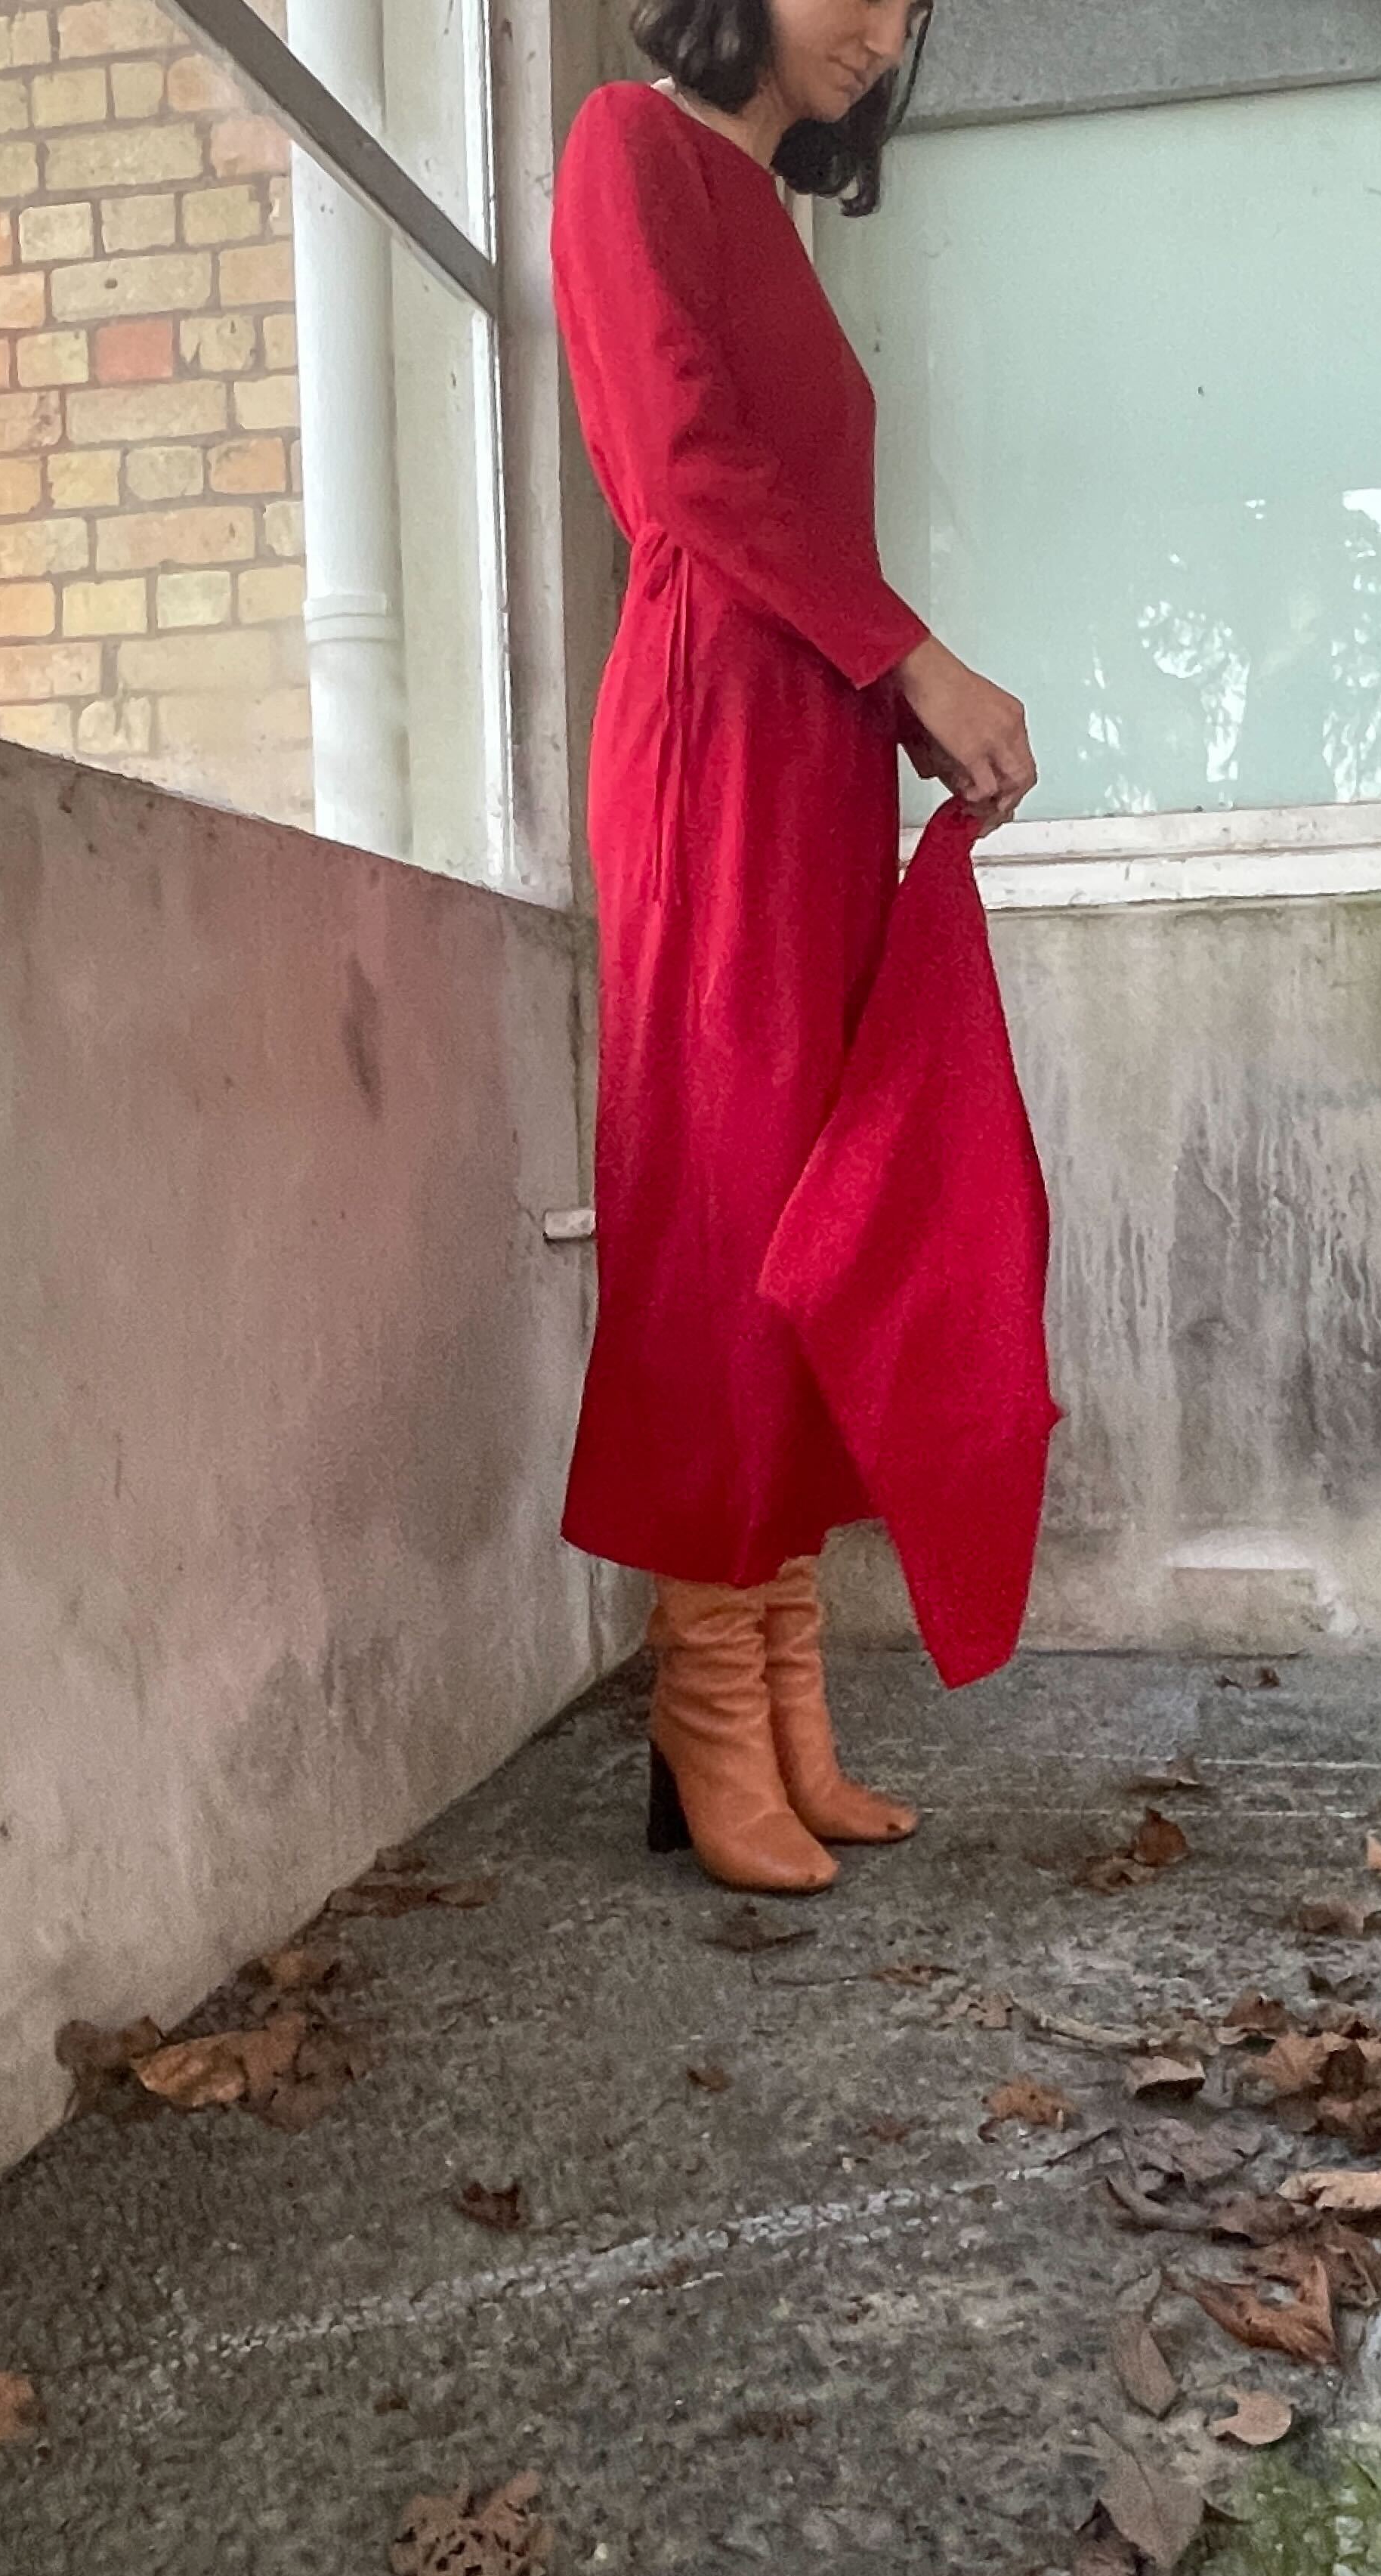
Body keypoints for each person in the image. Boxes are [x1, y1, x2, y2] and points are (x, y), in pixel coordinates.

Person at [550, 0, 1037, 1896]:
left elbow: (785, 525)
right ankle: (702, 1701)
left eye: (915, 8)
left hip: (812, 753)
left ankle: (783, 1695)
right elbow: (685, 468)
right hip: (713, 747)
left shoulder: (774, 214)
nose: (888, 30)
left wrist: (892, 701)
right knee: (722, 1206)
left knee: (821, 1215)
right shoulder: (628, 147)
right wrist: (915, 660)